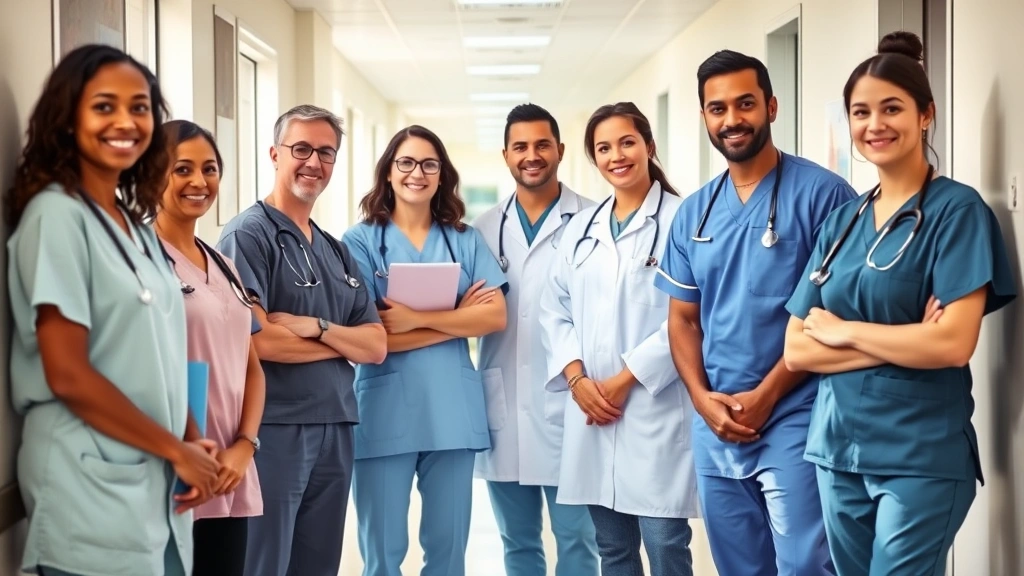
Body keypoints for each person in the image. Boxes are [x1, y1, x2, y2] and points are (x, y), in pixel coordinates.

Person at [783, 31, 1016, 576]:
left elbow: (953, 343)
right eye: (861, 112)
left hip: (920, 456)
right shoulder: (842, 223)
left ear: (925, 114)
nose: (875, 124)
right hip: (837, 452)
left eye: (892, 108)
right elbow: (796, 350)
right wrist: (907, 340)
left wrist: (844, 332)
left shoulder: (958, 212)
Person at [5, 44, 221, 576]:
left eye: (140, 107)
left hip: (157, 479)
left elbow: (163, 356)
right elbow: (68, 373)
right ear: (68, 116)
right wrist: (176, 448)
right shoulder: (55, 216)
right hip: (89, 480)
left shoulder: (133, 227)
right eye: (105, 106)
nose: (125, 120)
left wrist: (193, 441)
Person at [655, 49, 856, 576]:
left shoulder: (824, 196)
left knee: (805, 563)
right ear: (704, 118)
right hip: (716, 418)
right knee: (738, 566)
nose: (732, 120)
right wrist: (701, 400)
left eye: (745, 104)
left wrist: (766, 397)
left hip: (797, 413)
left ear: (770, 106)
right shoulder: (693, 213)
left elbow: (832, 319)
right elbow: (683, 320)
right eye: (717, 109)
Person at [216, 104, 387, 576]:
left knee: (318, 565)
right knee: (264, 562)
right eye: (302, 149)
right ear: (275, 154)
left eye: (326, 152)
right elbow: (261, 342)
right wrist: (342, 344)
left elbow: (376, 346)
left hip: (336, 426)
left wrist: (318, 327)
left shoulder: (334, 249)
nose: (314, 162)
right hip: (277, 429)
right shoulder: (249, 235)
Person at [539, 102, 699, 576]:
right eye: (603, 148)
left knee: (666, 544)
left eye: (627, 143)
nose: (617, 156)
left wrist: (624, 380)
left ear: (649, 146)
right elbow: (555, 308)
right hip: (591, 406)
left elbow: (690, 314)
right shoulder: (581, 229)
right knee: (613, 550)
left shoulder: (683, 220)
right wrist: (578, 381)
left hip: (654, 406)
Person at [341, 124, 509, 576]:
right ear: (389, 173)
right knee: (381, 556)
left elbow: (494, 317)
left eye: (429, 164)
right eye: (406, 163)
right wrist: (457, 321)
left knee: (449, 555)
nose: (418, 172)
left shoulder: (464, 238)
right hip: (383, 414)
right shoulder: (358, 242)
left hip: (451, 414)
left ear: (441, 175)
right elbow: (367, 336)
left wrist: (415, 320)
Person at [473, 103, 600, 576]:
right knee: (518, 543)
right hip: (503, 406)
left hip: (570, 404)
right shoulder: (482, 229)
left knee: (578, 539)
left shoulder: (592, 220)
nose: (532, 155)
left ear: (560, 151)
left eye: (542, 144)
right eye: (520, 146)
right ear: (505, 154)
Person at [154, 119, 266, 576]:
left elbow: (251, 367)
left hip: (229, 473)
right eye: (182, 169)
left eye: (210, 169)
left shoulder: (223, 262)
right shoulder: (141, 258)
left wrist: (245, 445)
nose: (199, 182)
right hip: (174, 468)